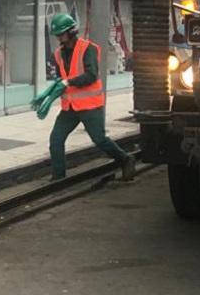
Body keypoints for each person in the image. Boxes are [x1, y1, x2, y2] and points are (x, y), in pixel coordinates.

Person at [45, 13, 135, 181]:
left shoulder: (88, 49)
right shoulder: (58, 54)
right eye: (57, 35)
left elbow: (91, 75)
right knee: (56, 140)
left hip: (90, 106)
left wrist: (68, 82)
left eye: (61, 34)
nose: (59, 38)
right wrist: (56, 87)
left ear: (71, 32)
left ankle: (126, 159)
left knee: (99, 139)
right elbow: (62, 77)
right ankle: (58, 177)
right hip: (70, 107)